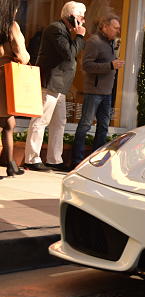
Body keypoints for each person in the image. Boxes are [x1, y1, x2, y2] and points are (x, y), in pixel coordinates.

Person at [24, 1, 86, 172]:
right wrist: (79, 36)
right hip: (51, 81)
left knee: (59, 123)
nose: (84, 21)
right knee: (41, 120)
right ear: (72, 17)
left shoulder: (67, 31)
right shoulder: (56, 29)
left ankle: (54, 159)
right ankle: (31, 158)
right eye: (81, 16)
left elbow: (73, 52)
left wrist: (77, 36)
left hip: (61, 85)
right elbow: (69, 54)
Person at [70, 14, 123, 168]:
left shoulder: (111, 42)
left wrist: (112, 65)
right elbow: (86, 66)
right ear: (104, 27)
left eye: (118, 29)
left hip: (106, 92)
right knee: (85, 125)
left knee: (103, 127)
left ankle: (94, 163)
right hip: (94, 91)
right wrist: (110, 66)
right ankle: (76, 161)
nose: (117, 31)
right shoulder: (94, 41)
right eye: (115, 28)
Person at [0, 0, 29, 177]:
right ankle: (11, 164)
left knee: (6, 122)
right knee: (8, 123)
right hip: (4, 78)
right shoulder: (11, 26)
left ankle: (11, 164)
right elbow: (22, 55)